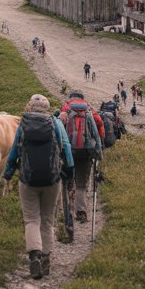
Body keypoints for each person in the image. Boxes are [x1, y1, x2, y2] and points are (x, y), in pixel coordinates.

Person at [3, 94, 74, 279]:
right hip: (52, 179)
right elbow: (65, 147)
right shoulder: (55, 123)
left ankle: (34, 254)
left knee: (31, 219)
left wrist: (8, 174)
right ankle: (46, 257)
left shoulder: (23, 124)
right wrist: (69, 172)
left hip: (27, 180)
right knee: (47, 219)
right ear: (47, 107)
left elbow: (14, 152)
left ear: (30, 107)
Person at [60, 93, 103, 223]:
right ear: (82, 99)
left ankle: (68, 211)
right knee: (81, 184)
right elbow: (97, 130)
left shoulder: (65, 110)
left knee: (68, 181)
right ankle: (81, 212)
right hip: (85, 152)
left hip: (68, 151)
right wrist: (99, 152)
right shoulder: (89, 111)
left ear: (71, 98)